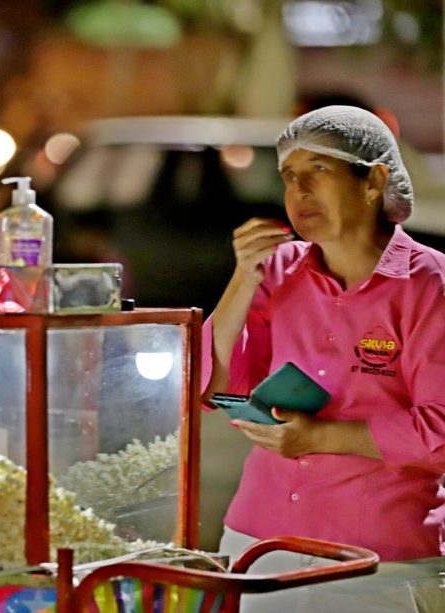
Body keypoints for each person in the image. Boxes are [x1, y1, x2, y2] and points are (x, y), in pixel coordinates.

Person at [202, 106, 445, 601]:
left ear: (374, 181)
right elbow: (214, 386)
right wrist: (242, 279)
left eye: (319, 171)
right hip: (260, 546)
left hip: (379, 564)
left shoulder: (429, 286)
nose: (299, 193)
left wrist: (321, 436)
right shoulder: (277, 271)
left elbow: (439, 430)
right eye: (290, 176)